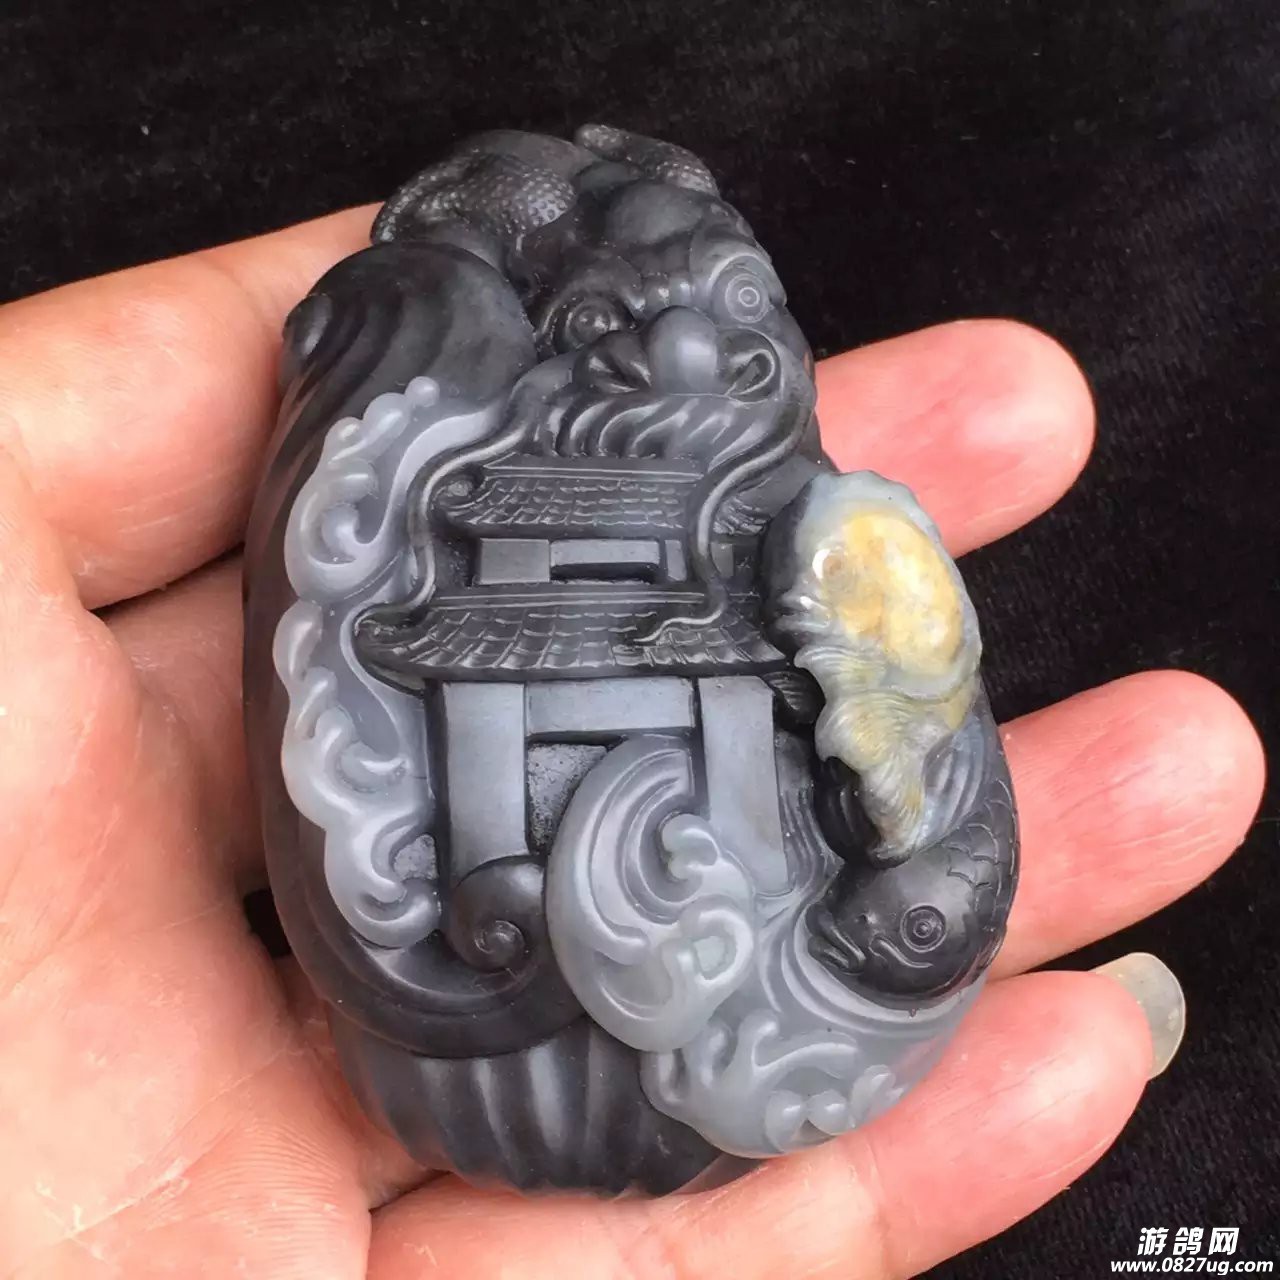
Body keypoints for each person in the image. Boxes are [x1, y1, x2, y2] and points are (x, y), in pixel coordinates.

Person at [0, 205, 1262, 1279]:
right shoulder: (453, 445)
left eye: (725, 310)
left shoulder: (771, 511)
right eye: (614, 320)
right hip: (504, 1007)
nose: (683, 349)